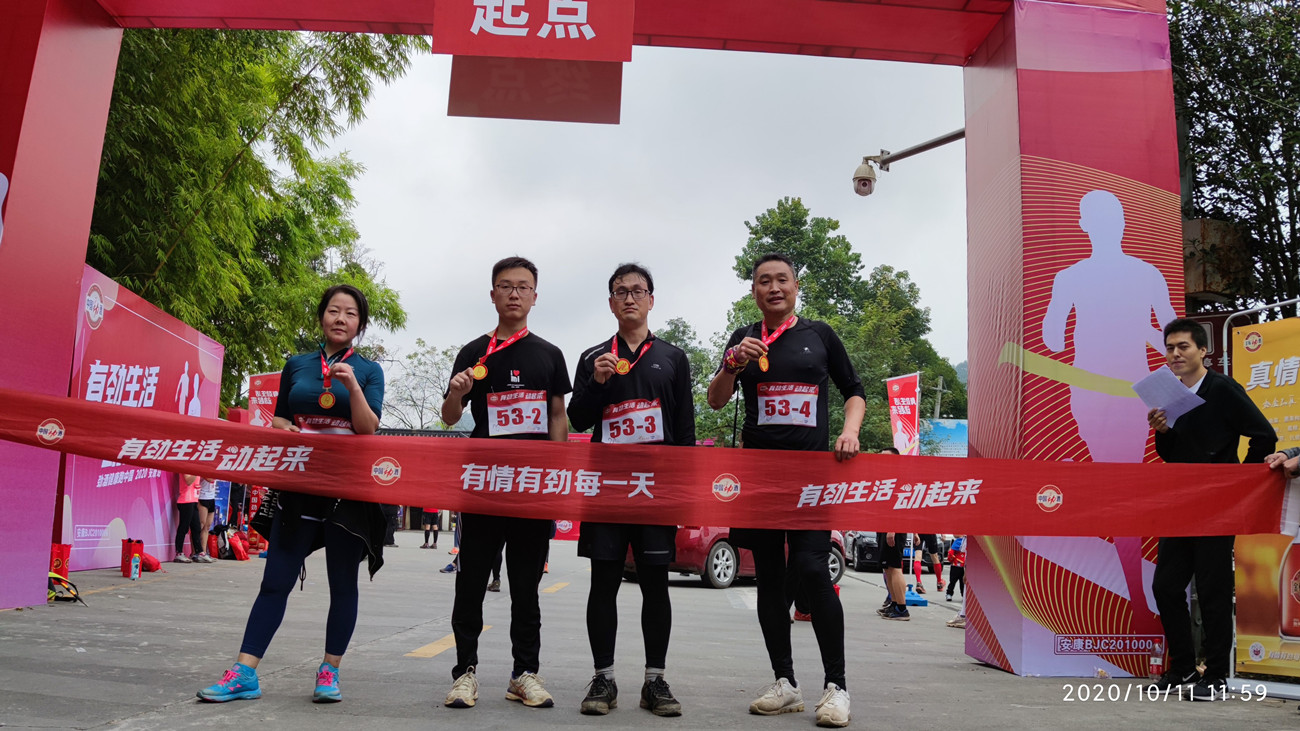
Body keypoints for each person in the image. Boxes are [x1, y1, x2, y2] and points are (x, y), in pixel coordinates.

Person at [196, 284, 386, 704]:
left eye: (350, 313)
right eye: (333, 310)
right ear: (321, 316)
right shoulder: (297, 365)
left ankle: (329, 672)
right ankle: (244, 673)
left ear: (360, 324)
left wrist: (353, 387)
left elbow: (368, 428)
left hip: (347, 490)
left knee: (343, 585)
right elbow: (280, 420)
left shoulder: (369, 370)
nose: (340, 318)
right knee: (275, 580)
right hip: (299, 486)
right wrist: (291, 430)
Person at [706, 252, 864, 728]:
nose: (773, 287)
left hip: (811, 479)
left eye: (782, 279)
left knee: (814, 569)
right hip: (760, 478)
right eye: (763, 281)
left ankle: (836, 687)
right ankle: (785, 682)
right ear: (753, 290)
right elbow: (716, 401)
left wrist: (850, 431)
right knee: (770, 580)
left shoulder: (820, 335)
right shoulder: (743, 339)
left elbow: (854, 391)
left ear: (795, 287)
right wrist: (732, 364)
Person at [441, 256, 570, 711]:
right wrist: (457, 392)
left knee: (526, 587)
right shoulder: (474, 353)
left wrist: (556, 475)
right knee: (471, 581)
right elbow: (450, 416)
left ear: (535, 295)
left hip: (531, 488)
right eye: (505, 286)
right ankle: (464, 673)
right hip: (483, 485)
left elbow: (557, 416)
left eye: (523, 286)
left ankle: (524, 674)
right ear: (492, 294)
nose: (514, 294)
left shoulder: (549, 354)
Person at [567, 263, 693, 718]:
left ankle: (655, 681)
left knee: (656, 584)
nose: (629, 298)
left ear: (651, 300)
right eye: (621, 292)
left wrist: (683, 494)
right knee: (603, 583)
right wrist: (598, 384)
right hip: (607, 488)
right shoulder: (593, 358)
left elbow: (684, 431)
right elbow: (578, 419)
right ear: (610, 303)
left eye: (638, 291)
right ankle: (603, 678)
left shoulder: (673, 358)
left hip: (654, 490)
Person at [1146, 318, 1275, 701]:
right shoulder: (1170, 394)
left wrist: (1240, 483)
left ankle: (1216, 676)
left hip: (1218, 505)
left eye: (1183, 346)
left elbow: (1264, 435)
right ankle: (1183, 667)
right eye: (1170, 348)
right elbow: (1170, 455)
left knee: (1212, 588)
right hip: (1180, 503)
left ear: (1203, 351)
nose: (1175, 354)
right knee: (1166, 586)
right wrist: (1162, 432)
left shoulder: (1222, 389)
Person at [1042, 189, 1177, 462]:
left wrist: (1139, 329)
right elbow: (1054, 342)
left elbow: (1174, 340)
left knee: (1118, 464)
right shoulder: (1072, 277)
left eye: (1112, 218)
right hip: (1100, 387)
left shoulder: (1074, 277)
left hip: (1125, 387)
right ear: (1084, 225)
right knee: (1115, 464)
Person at [174, 473, 209, 563]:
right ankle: (179, 553)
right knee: (184, 527)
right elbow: (188, 481)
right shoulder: (187, 468)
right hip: (185, 501)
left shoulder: (195, 469)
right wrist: (197, 471)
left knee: (196, 527)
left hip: (194, 500)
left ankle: (199, 552)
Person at [197, 476, 219, 560]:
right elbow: (210, 479)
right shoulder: (205, 469)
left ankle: (203, 552)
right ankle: (195, 551)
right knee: (200, 525)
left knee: (207, 526)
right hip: (202, 496)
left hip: (211, 497)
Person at [945, 536, 966, 603]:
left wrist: (951, 560)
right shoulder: (960, 541)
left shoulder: (959, 541)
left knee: (957, 582)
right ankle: (951, 594)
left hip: (960, 566)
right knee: (957, 582)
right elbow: (951, 553)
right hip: (959, 565)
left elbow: (950, 554)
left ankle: (951, 594)